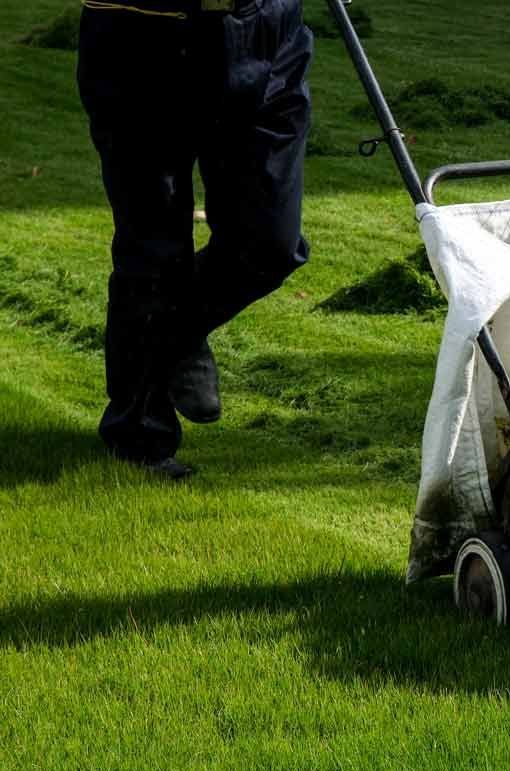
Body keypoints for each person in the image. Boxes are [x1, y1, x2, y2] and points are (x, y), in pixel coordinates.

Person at [76, 0, 313, 479]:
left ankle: (177, 332)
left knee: (270, 243)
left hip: (266, 27)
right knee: (154, 247)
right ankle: (139, 440)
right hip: (141, 32)